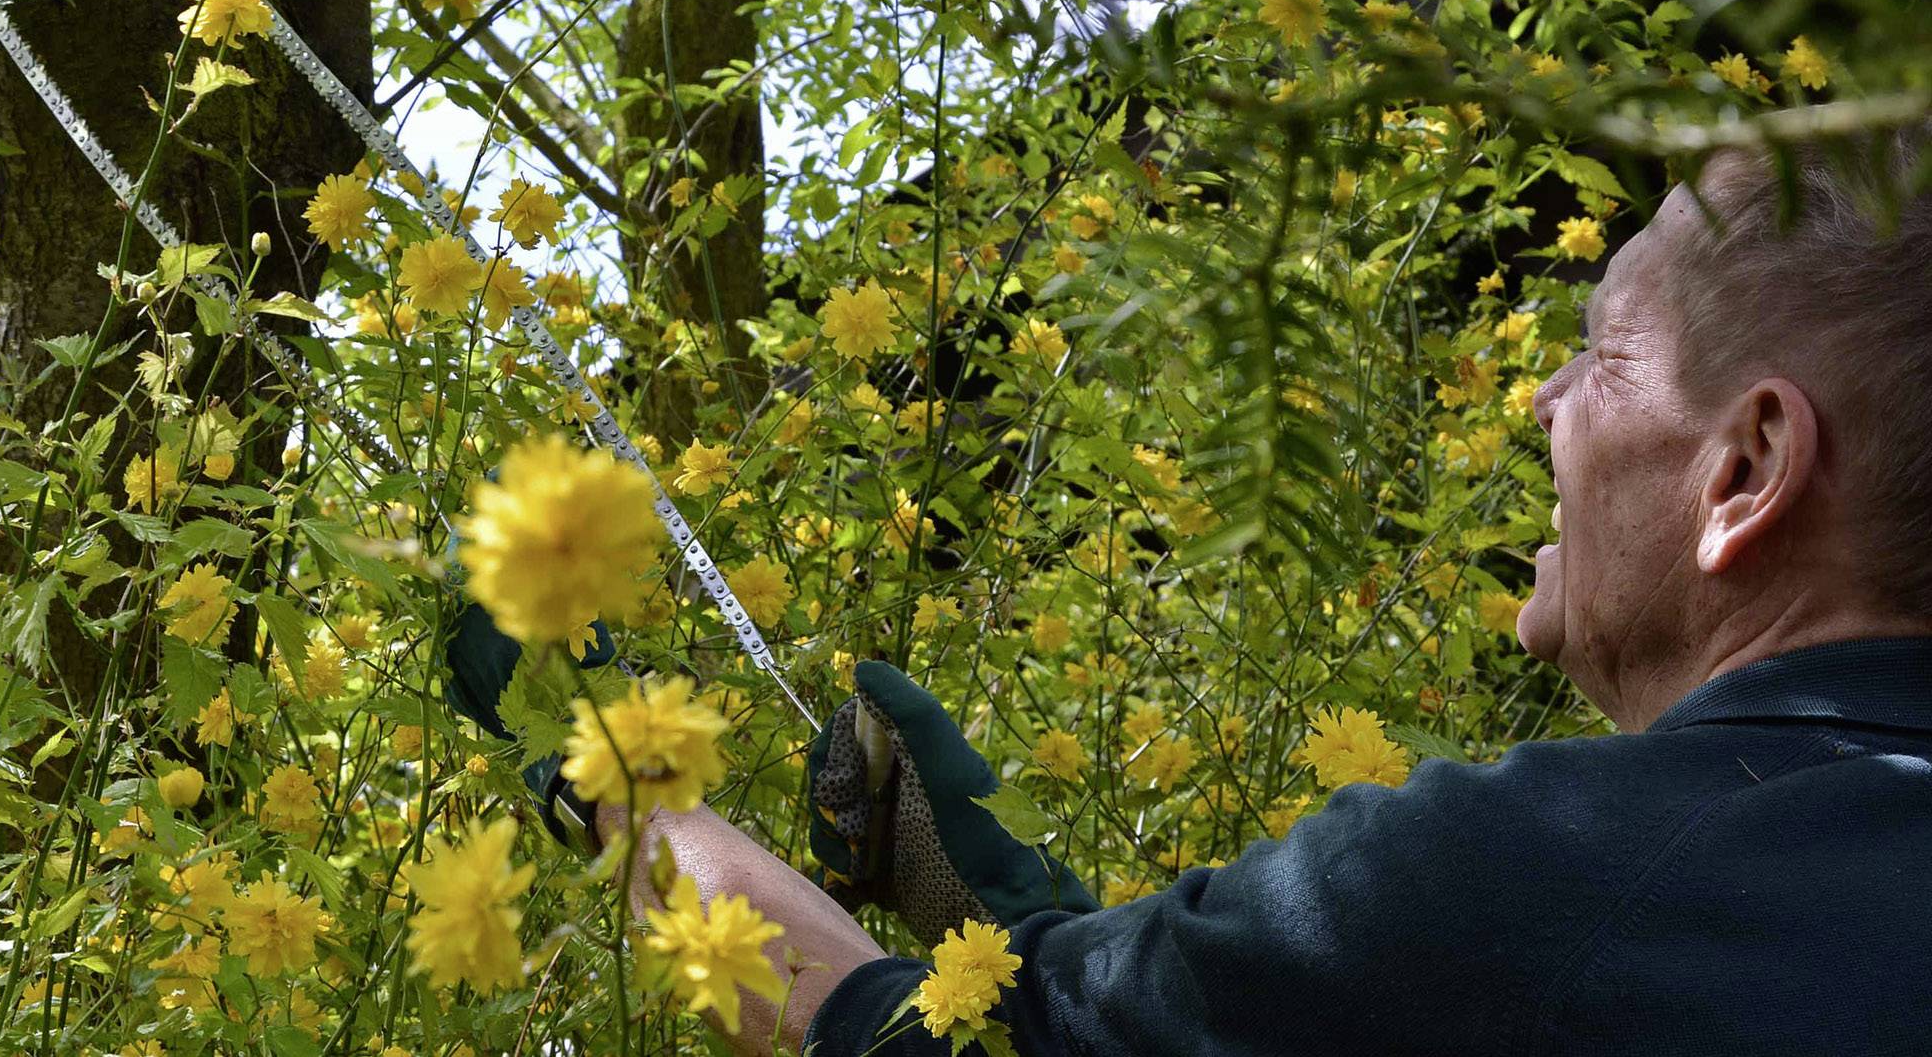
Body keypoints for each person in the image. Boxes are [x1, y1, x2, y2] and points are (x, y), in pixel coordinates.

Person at [608, 128, 1932, 1055]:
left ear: (1747, 467)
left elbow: (890, 1040)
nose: (1542, 399)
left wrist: (608, 777)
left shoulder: (1539, 872)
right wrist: (1053, 946)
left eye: (1600, 352)